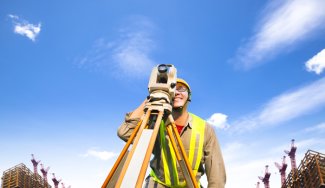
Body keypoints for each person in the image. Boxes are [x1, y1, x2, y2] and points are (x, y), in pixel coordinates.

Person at [117, 78, 226, 188]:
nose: (176, 92)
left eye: (181, 89)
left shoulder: (205, 128)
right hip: (159, 183)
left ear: (189, 96)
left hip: (191, 184)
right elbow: (125, 132)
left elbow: (216, 171)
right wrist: (152, 97)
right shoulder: (155, 123)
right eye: (172, 89)